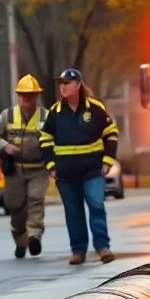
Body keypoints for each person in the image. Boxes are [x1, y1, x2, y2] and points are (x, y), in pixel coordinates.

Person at [40, 69, 119, 265]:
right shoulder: (55, 113)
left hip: (92, 171)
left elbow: (111, 133)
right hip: (66, 174)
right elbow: (45, 139)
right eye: (61, 83)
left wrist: (108, 160)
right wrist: (51, 165)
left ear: (78, 85)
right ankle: (78, 251)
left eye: (67, 83)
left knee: (96, 204)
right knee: (73, 212)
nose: (63, 87)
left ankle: (103, 247)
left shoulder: (95, 108)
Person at [0, 74, 50, 259]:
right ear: (18, 96)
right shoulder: (7, 116)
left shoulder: (46, 117)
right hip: (14, 171)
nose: (27, 98)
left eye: (31, 95)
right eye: (23, 95)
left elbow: (57, 140)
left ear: (37, 96)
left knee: (36, 200)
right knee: (15, 207)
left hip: (39, 169)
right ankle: (20, 239)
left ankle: (34, 236)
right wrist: (6, 146)